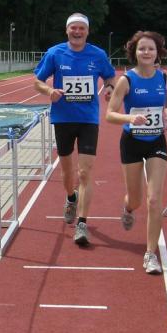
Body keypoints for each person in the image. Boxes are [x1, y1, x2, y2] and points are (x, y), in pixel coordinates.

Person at [34, 13, 116, 246]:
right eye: (73, 28)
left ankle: (82, 223)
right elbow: (37, 81)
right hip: (63, 118)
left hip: (88, 119)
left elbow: (110, 77)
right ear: (67, 30)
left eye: (81, 28)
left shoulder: (98, 55)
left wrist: (110, 88)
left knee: (85, 172)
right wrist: (49, 91)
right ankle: (71, 197)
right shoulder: (55, 53)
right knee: (67, 172)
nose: (77, 32)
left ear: (87, 31)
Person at [106, 31, 167, 274]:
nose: (146, 52)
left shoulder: (164, 78)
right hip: (132, 142)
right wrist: (130, 118)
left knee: (154, 199)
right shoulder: (126, 80)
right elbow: (110, 114)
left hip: (157, 141)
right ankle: (127, 208)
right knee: (136, 200)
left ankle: (150, 254)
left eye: (151, 49)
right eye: (142, 49)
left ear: (158, 53)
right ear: (134, 52)